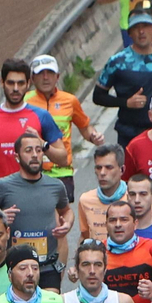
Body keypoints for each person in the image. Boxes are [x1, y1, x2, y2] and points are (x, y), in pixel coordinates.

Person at [0, 133, 74, 291]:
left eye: (38, 150)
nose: (34, 155)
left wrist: (68, 224)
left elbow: (66, 211)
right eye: (29, 150)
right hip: (16, 268)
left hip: (47, 266)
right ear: (17, 156)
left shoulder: (56, 186)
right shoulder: (3, 186)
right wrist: (0, 218)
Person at [95, 8, 152, 148]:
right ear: (130, 33)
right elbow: (98, 96)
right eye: (136, 28)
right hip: (131, 133)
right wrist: (126, 102)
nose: (141, 31)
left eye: (145, 26)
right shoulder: (117, 62)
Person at [0, 59, 69, 185]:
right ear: (2, 83)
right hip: (1, 196)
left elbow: (63, 159)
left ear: (28, 84)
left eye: (21, 83)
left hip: (34, 195)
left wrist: (42, 144)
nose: (16, 88)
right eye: (11, 83)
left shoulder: (41, 116)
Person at [26, 53, 104, 196]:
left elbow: (85, 126)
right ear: (32, 78)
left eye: (50, 73)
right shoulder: (24, 102)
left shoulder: (70, 101)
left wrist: (94, 136)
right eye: (40, 73)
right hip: (32, 171)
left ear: (58, 76)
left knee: (62, 217)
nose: (45, 77)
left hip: (62, 172)